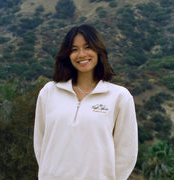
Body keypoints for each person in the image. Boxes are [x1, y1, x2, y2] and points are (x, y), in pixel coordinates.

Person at [34, 24, 138, 180]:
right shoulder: (49, 92)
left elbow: (126, 152)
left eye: (87, 47)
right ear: (67, 55)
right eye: (74, 49)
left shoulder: (119, 97)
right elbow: (40, 143)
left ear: (98, 51)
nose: (81, 54)